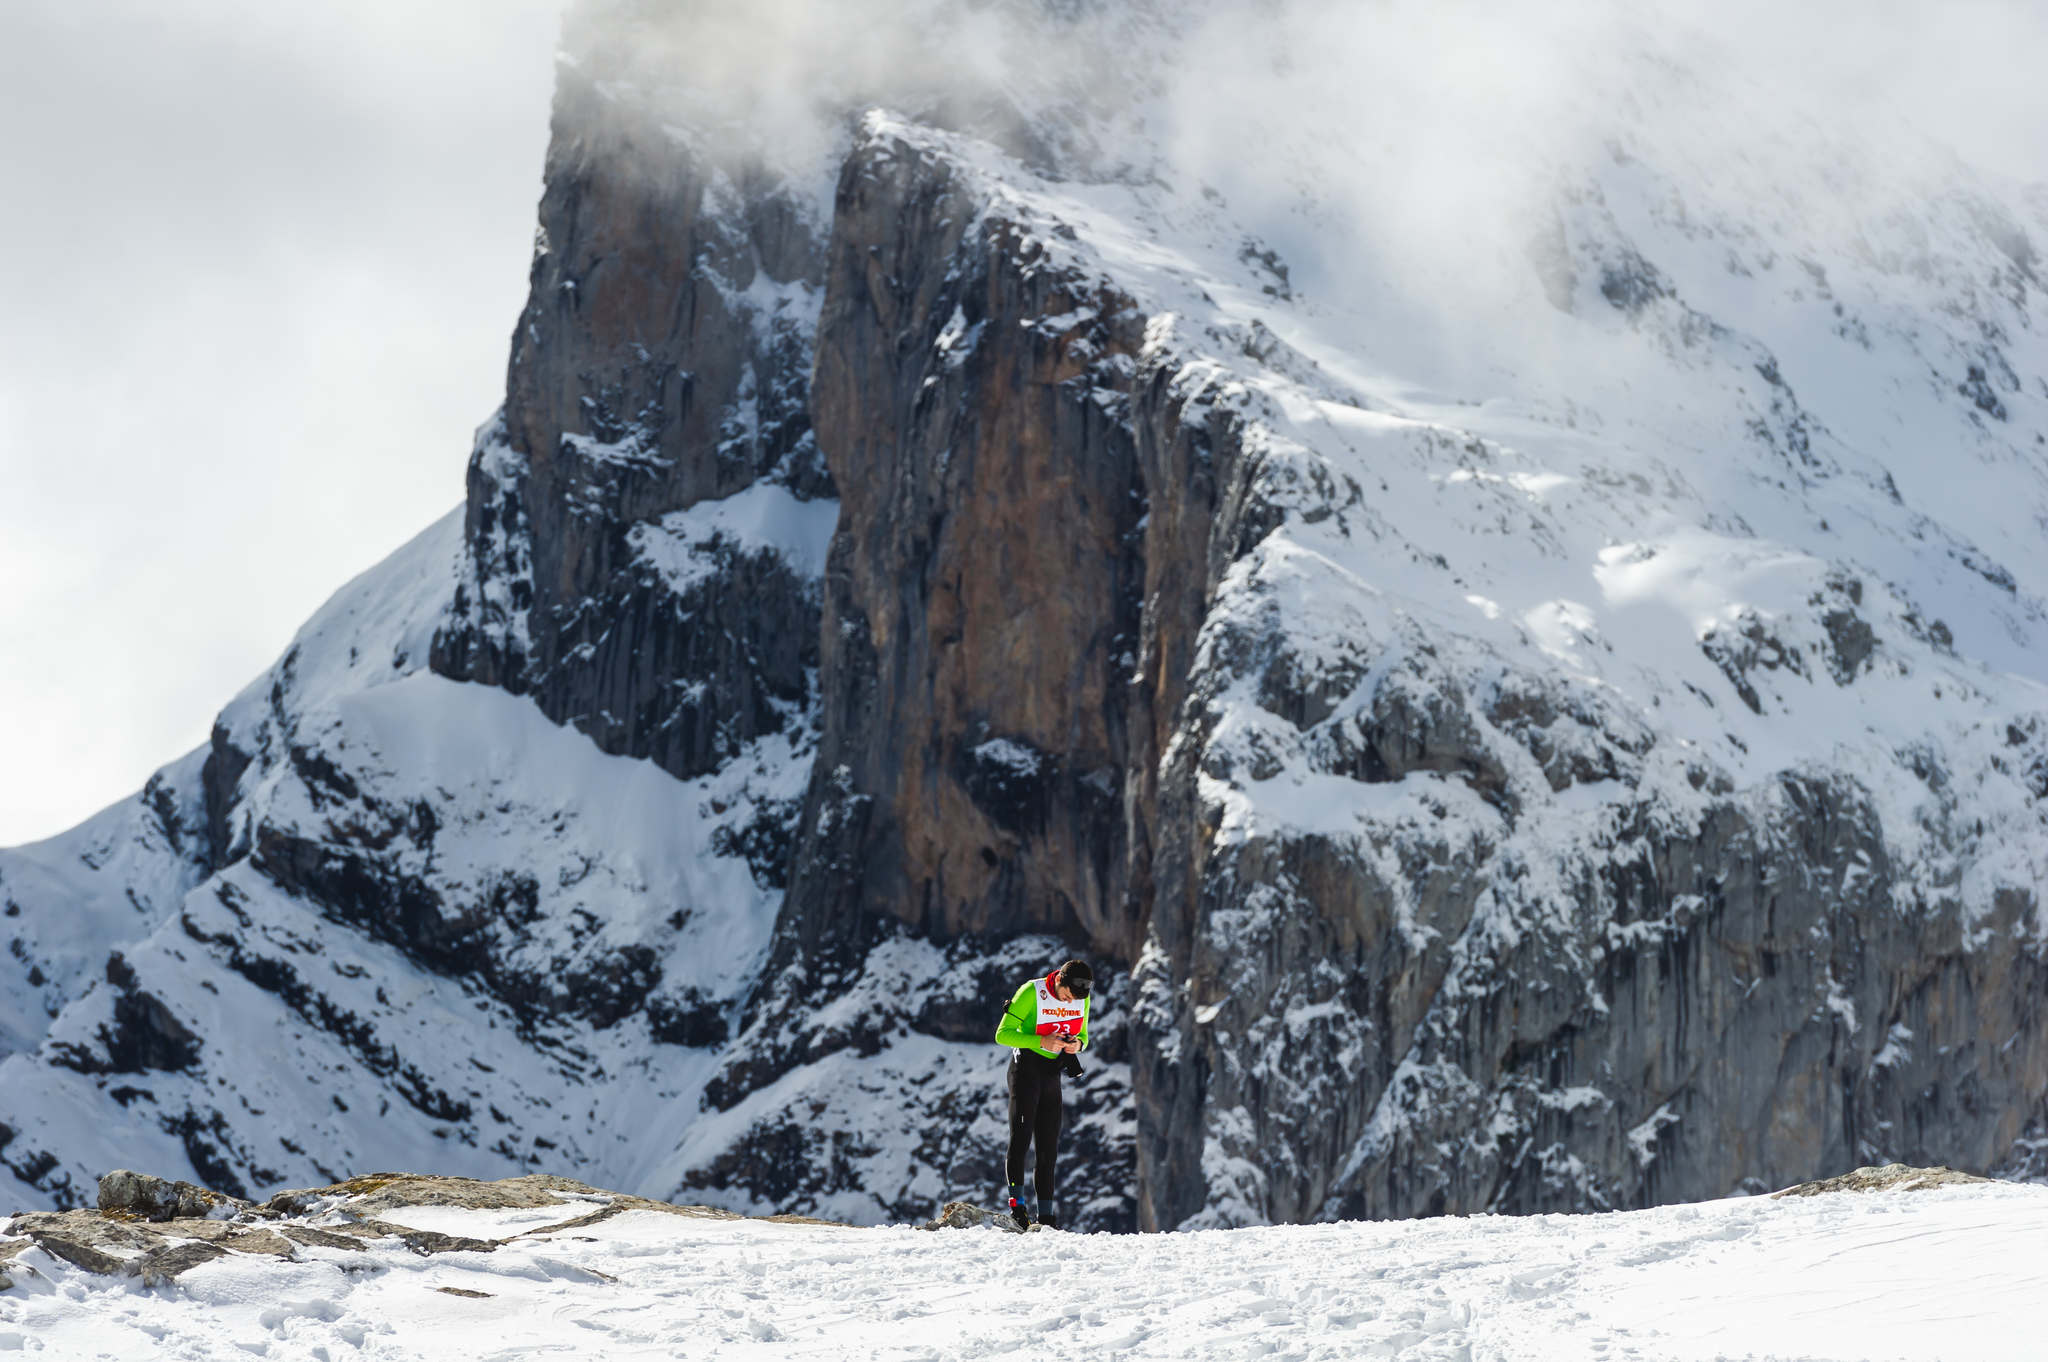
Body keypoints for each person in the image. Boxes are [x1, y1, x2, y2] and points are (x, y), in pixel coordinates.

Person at [993, 958, 1093, 1230]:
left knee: (1048, 1148)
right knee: (1021, 1139)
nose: (1068, 1001)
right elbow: (1002, 1035)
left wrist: (1078, 1045)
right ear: (1059, 980)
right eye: (1067, 995)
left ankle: (1047, 1219)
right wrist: (1040, 1041)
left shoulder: (1080, 998)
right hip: (1025, 1068)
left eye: (1075, 999)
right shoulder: (1031, 992)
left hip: (1052, 1074)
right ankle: (1018, 1209)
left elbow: (1083, 1033)